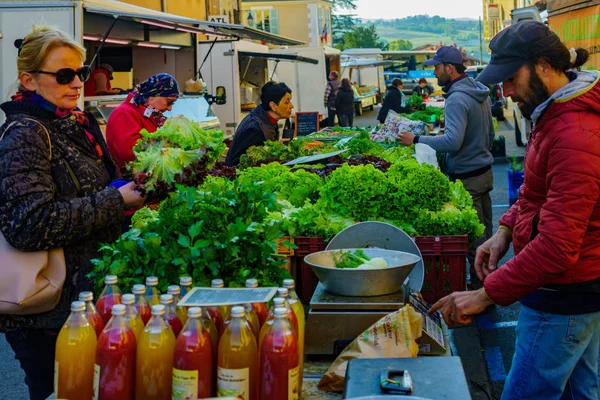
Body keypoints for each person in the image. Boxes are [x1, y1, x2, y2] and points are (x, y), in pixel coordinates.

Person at [431, 21, 600, 399]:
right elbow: (535, 192)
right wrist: (505, 231)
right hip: (576, 290)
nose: (504, 90)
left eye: (510, 77)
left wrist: (485, 294)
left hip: (563, 296)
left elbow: (557, 247)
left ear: (543, 65)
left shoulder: (573, 131)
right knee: (582, 392)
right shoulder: (554, 112)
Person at [0, 26, 145, 400]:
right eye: (64, 75)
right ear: (29, 80)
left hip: (82, 299)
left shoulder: (73, 122)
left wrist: (136, 183)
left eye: (80, 72)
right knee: (60, 391)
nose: (77, 82)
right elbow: (29, 225)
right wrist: (118, 201)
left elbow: (96, 189)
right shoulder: (25, 134)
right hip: (47, 310)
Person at [398, 46, 495, 289]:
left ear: (449, 69)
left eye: (437, 67)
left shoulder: (457, 99)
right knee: (486, 236)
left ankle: (480, 293)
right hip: (484, 172)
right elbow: (490, 134)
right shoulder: (478, 92)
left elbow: (452, 141)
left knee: (474, 241)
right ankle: (489, 286)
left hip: (468, 178)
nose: (434, 72)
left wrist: (417, 140)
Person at [105, 73, 180, 170]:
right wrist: (166, 148)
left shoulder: (151, 115)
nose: (170, 108)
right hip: (128, 180)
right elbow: (130, 153)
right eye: (169, 102)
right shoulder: (124, 113)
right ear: (151, 96)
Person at [226, 81, 294, 166]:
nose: (292, 106)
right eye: (287, 102)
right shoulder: (254, 128)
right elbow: (245, 162)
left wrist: (275, 146)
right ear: (273, 106)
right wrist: (272, 149)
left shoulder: (267, 120)